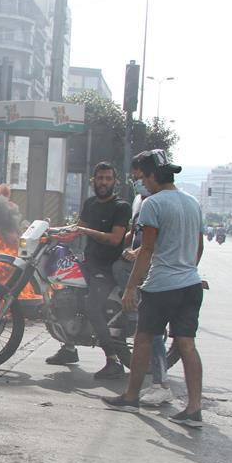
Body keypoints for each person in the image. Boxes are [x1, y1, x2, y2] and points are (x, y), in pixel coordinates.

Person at [103, 149, 205, 428]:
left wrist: (130, 288)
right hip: (190, 284)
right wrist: (188, 269)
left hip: (161, 287)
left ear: (153, 175)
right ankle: (194, 409)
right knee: (186, 344)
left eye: (143, 177)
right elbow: (198, 247)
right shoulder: (193, 202)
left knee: (144, 339)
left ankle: (131, 396)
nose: (142, 182)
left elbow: (146, 249)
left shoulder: (153, 204)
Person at [45, 161, 131, 380]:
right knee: (68, 294)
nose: (103, 182)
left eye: (108, 178)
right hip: (88, 262)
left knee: (92, 307)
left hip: (108, 268)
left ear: (115, 182)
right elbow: (76, 230)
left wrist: (85, 230)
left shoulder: (121, 207)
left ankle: (113, 360)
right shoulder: (90, 203)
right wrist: (51, 231)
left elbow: (115, 239)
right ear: (94, 181)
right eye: (100, 178)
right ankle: (69, 349)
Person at [114, 159, 172, 406]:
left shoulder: (160, 203)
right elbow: (135, 234)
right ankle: (133, 393)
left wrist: (136, 256)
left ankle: (160, 383)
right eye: (135, 177)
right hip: (140, 266)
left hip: (153, 275)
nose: (139, 182)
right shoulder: (141, 202)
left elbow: (153, 244)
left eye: (141, 177)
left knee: (152, 332)